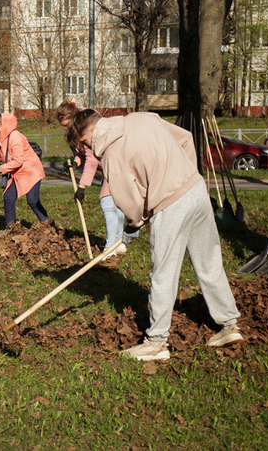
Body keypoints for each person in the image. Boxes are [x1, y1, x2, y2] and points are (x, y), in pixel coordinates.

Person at [68, 110, 243, 361]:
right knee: (209, 262)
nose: (88, 148)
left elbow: (132, 204)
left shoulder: (112, 157)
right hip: (196, 190)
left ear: (93, 130)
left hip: (170, 205)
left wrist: (133, 226)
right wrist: (184, 175)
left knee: (163, 273)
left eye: (84, 141)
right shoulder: (143, 117)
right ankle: (229, 324)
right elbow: (185, 139)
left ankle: (156, 342)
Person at [56, 103, 136, 258]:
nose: (65, 129)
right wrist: (76, 162)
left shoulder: (85, 128)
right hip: (107, 166)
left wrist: (82, 187)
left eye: (66, 125)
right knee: (114, 204)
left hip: (114, 164)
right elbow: (82, 153)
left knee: (108, 203)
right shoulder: (76, 131)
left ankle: (110, 248)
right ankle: (118, 243)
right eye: (63, 126)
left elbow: (92, 160)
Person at [0, 113, 48, 230]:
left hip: (30, 171)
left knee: (33, 201)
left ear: (5, 125)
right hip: (16, 172)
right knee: (8, 197)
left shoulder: (15, 137)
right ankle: (10, 229)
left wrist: (0, 169)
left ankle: (47, 225)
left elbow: (18, 161)